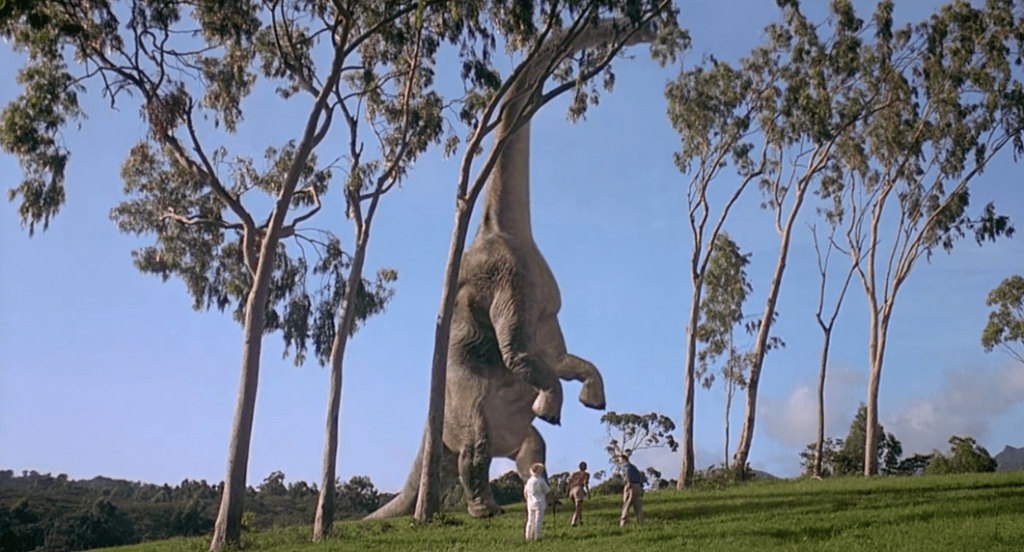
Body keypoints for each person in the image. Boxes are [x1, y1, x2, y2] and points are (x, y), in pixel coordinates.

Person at [523, 462, 551, 540]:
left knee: (530, 520)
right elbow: (547, 491)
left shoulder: (529, 481)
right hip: (539, 502)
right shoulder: (541, 480)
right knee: (538, 520)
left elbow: (525, 492)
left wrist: (528, 499)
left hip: (530, 503)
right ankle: (537, 537)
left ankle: (528, 537)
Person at [617, 453, 644, 527]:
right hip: (638, 486)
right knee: (638, 506)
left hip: (630, 486)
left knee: (626, 505)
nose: (618, 461)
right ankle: (641, 522)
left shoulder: (625, 466)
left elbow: (627, 475)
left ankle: (623, 523)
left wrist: (628, 484)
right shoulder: (633, 467)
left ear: (624, 459)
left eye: (620, 459)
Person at [566, 461, 590, 526]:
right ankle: (573, 521)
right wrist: (588, 492)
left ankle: (580, 521)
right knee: (578, 507)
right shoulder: (586, 474)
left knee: (577, 507)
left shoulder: (574, 474)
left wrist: (567, 492)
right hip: (578, 489)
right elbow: (585, 483)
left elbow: (569, 482)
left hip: (572, 490)